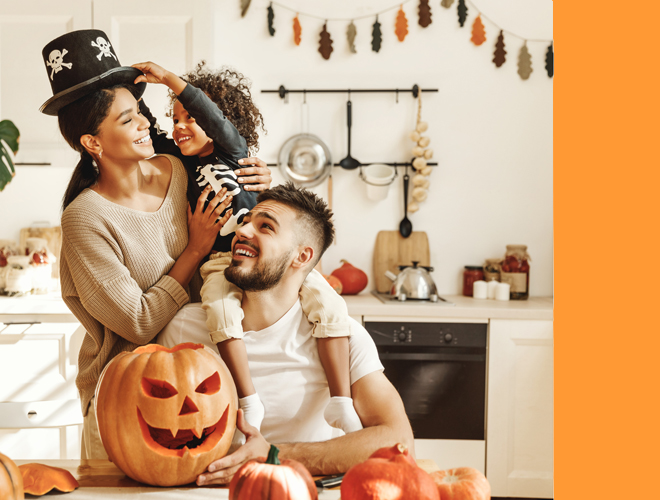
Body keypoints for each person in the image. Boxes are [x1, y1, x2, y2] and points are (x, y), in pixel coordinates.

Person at [37, 29, 270, 459]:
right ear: (92, 142)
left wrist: (258, 181)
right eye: (127, 120)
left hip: (205, 393)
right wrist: (193, 252)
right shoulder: (85, 218)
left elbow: (223, 157)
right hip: (129, 405)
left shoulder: (178, 168)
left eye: (140, 111)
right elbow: (139, 322)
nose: (147, 124)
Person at [132, 60, 359, 438]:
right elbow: (149, 132)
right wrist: (130, 90)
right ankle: (248, 400)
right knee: (220, 312)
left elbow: (210, 114)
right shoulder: (179, 165)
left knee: (330, 304)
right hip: (220, 263)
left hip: (272, 259)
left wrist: (170, 80)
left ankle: (342, 401)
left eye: (190, 117)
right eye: (175, 119)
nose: (180, 126)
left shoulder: (234, 153)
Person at [156, 183, 414, 483]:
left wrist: (273, 455)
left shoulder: (344, 338)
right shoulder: (184, 327)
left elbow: (399, 441)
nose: (243, 231)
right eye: (246, 221)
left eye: (265, 227)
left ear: (302, 257)